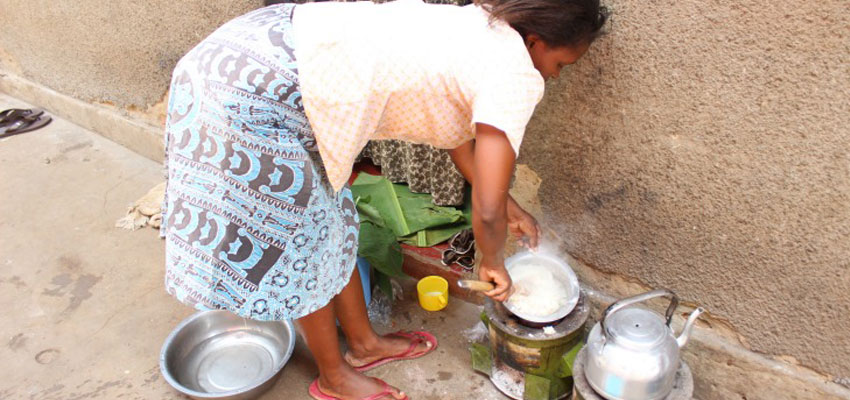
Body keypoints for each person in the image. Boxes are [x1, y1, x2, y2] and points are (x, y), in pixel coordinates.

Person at [161, 0, 606, 399]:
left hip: (261, 45)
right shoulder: (516, 75)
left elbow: (458, 138)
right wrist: (491, 260)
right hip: (249, 92)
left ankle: (364, 345)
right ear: (535, 40)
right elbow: (484, 208)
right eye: (561, 63)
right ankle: (333, 378)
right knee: (301, 247)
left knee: (331, 221)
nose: (553, 75)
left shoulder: (481, 26)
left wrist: (509, 206)